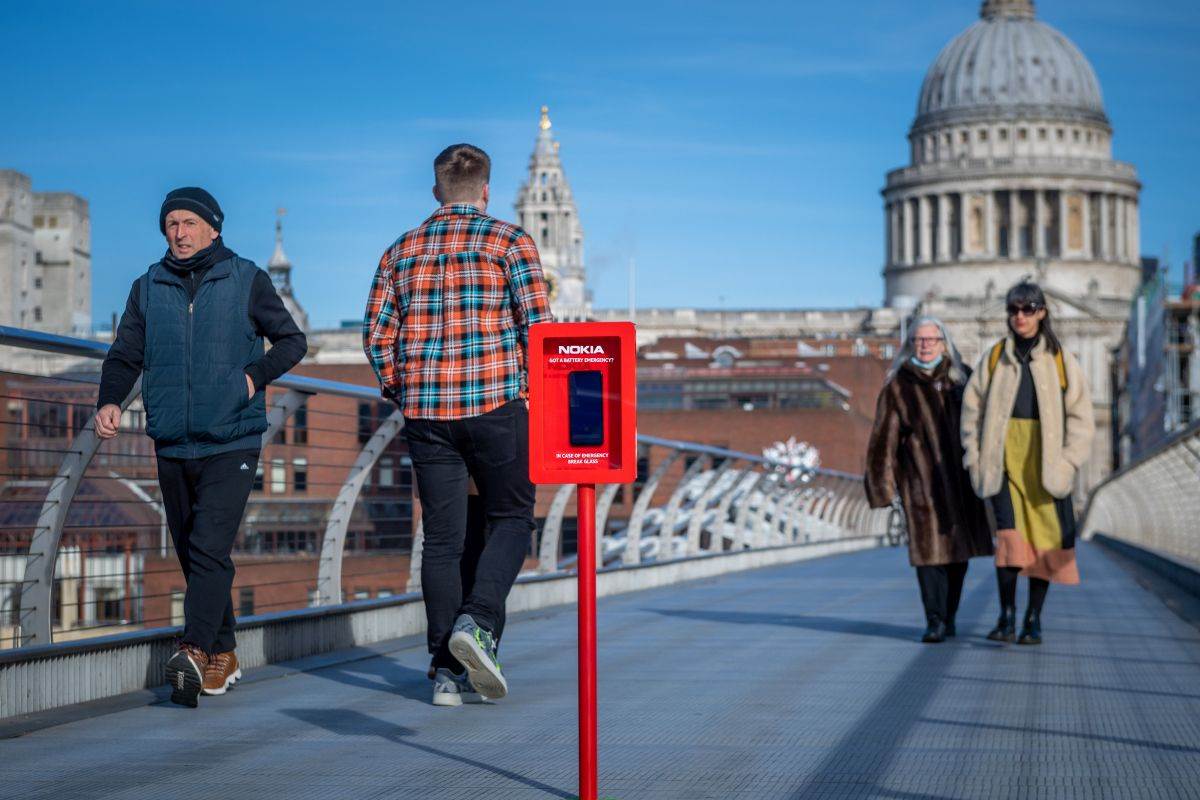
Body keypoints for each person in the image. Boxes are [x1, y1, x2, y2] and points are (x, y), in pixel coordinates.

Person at [95, 188, 307, 706]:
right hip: (172, 438)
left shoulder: (245, 278)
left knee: (209, 546)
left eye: (190, 222)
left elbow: (292, 341)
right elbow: (125, 355)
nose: (180, 232)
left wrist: (254, 378)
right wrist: (110, 402)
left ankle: (191, 649)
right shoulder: (147, 288)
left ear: (213, 227)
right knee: (196, 553)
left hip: (232, 435)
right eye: (171, 223)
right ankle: (224, 651)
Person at [363, 143, 551, 705]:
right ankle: (479, 623)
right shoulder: (511, 241)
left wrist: (407, 389)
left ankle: (445, 672)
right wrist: (523, 392)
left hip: (428, 415)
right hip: (496, 405)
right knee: (513, 517)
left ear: (436, 189)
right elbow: (538, 330)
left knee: (442, 541)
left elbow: (376, 338)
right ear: (486, 190)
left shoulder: (401, 249)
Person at [961, 281, 1094, 645]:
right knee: (1009, 539)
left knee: (1043, 541)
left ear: (1042, 312)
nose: (1020, 316)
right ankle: (1006, 616)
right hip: (1002, 459)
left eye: (1028, 309)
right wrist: (975, 459)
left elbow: (1082, 417)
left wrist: (1068, 463)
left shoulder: (1061, 359)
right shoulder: (993, 358)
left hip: (1046, 460)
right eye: (1014, 310)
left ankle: (1033, 618)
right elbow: (971, 412)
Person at [866, 317, 993, 643]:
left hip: (961, 480)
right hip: (921, 483)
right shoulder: (898, 386)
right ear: (911, 345)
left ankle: (949, 614)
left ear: (943, 343)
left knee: (958, 557)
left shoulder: (959, 379)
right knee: (927, 554)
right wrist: (883, 486)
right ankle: (934, 620)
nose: (924, 345)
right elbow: (883, 440)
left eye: (931, 339)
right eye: (918, 340)